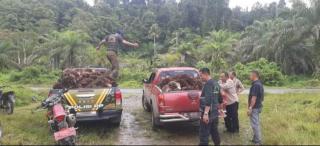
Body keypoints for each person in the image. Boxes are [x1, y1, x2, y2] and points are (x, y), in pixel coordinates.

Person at [199, 68, 221, 146]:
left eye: (201, 75)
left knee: (204, 134)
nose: (200, 77)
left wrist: (205, 114)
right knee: (214, 131)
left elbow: (208, 100)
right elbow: (220, 98)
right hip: (215, 113)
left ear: (206, 74)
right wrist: (220, 109)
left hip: (208, 113)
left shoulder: (208, 84)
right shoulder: (216, 83)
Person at [248, 70, 264, 145]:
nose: (249, 76)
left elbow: (253, 98)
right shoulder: (259, 83)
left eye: (250, 75)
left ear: (254, 75)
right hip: (258, 106)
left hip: (255, 107)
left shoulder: (256, 85)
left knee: (255, 124)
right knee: (256, 122)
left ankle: (258, 141)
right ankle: (255, 138)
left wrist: (250, 108)